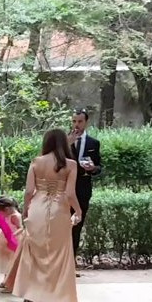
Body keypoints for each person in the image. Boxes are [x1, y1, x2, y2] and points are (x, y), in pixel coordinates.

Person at [4, 129, 82, 302]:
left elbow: (29, 191)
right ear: (64, 142)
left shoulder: (36, 162)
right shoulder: (70, 165)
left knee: (34, 249)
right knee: (58, 253)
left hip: (37, 208)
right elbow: (70, 193)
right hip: (59, 209)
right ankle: (56, 297)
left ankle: (30, 292)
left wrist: (24, 210)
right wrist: (78, 211)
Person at [67, 108, 102, 266]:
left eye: (80, 121)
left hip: (83, 186)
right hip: (65, 186)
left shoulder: (93, 143)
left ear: (86, 122)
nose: (77, 125)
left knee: (77, 225)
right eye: (74, 121)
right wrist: (68, 144)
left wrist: (93, 168)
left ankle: (72, 262)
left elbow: (99, 167)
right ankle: (60, 263)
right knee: (62, 224)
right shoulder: (64, 140)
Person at [0, 195, 23, 286]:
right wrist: (0, 230)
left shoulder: (15, 216)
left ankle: (11, 283)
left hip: (13, 242)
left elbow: (20, 228)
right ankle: (5, 281)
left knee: (12, 263)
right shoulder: (8, 215)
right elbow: (7, 227)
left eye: (0, 212)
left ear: (6, 209)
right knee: (7, 263)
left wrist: (15, 234)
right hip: (5, 242)